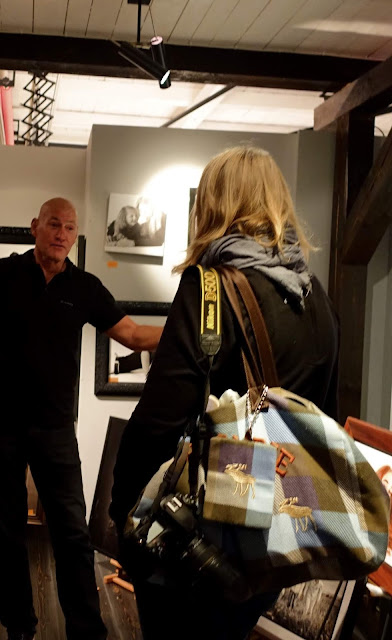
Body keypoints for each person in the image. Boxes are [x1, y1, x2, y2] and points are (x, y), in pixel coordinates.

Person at [110, 146, 340, 640]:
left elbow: (159, 420)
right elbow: (325, 418)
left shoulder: (210, 287)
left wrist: (122, 508)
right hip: (276, 535)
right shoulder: (315, 295)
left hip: (204, 536)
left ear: (212, 204)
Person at [0, 197, 163, 640]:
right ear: (35, 227)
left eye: (69, 227)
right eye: (53, 224)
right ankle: (19, 627)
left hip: (55, 431)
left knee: (72, 535)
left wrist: (183, 329)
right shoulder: (5, 273)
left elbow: (134, 335)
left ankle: (86, 631)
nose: (62, 234)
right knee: (6, 534)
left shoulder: (84, 288)